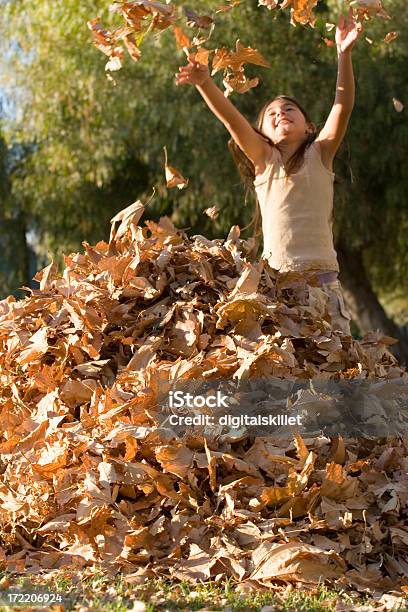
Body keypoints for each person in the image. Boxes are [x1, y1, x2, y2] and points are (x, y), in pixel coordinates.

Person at [175, 8, 362, 335]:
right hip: (279, 285)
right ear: (261, 133)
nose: (281, 113)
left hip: (324, 282)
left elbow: (342, 105)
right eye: (271, 113)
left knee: (335, 365)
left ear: (308, 127)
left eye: (289, 109)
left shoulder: (321, 153)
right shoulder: (264, 161)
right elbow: (232, 120)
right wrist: (205, 83)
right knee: (289, 371)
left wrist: (343, 54)